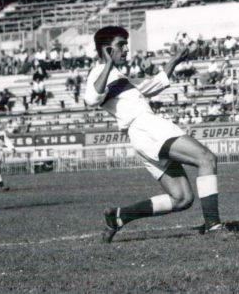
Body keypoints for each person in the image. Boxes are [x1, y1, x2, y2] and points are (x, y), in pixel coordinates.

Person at [84, 26, 227, 242]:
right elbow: (91, 98)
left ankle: (119, 216)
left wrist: (175, 60)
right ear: (106, 49)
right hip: (146, 127)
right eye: (121, 45)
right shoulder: (99, 72)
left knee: (182, 198)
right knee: (206, 158)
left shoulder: (119, 77)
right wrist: (109, 63)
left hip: (142, 135)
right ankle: (214, 226)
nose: (126, 50)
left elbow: (153, 85)